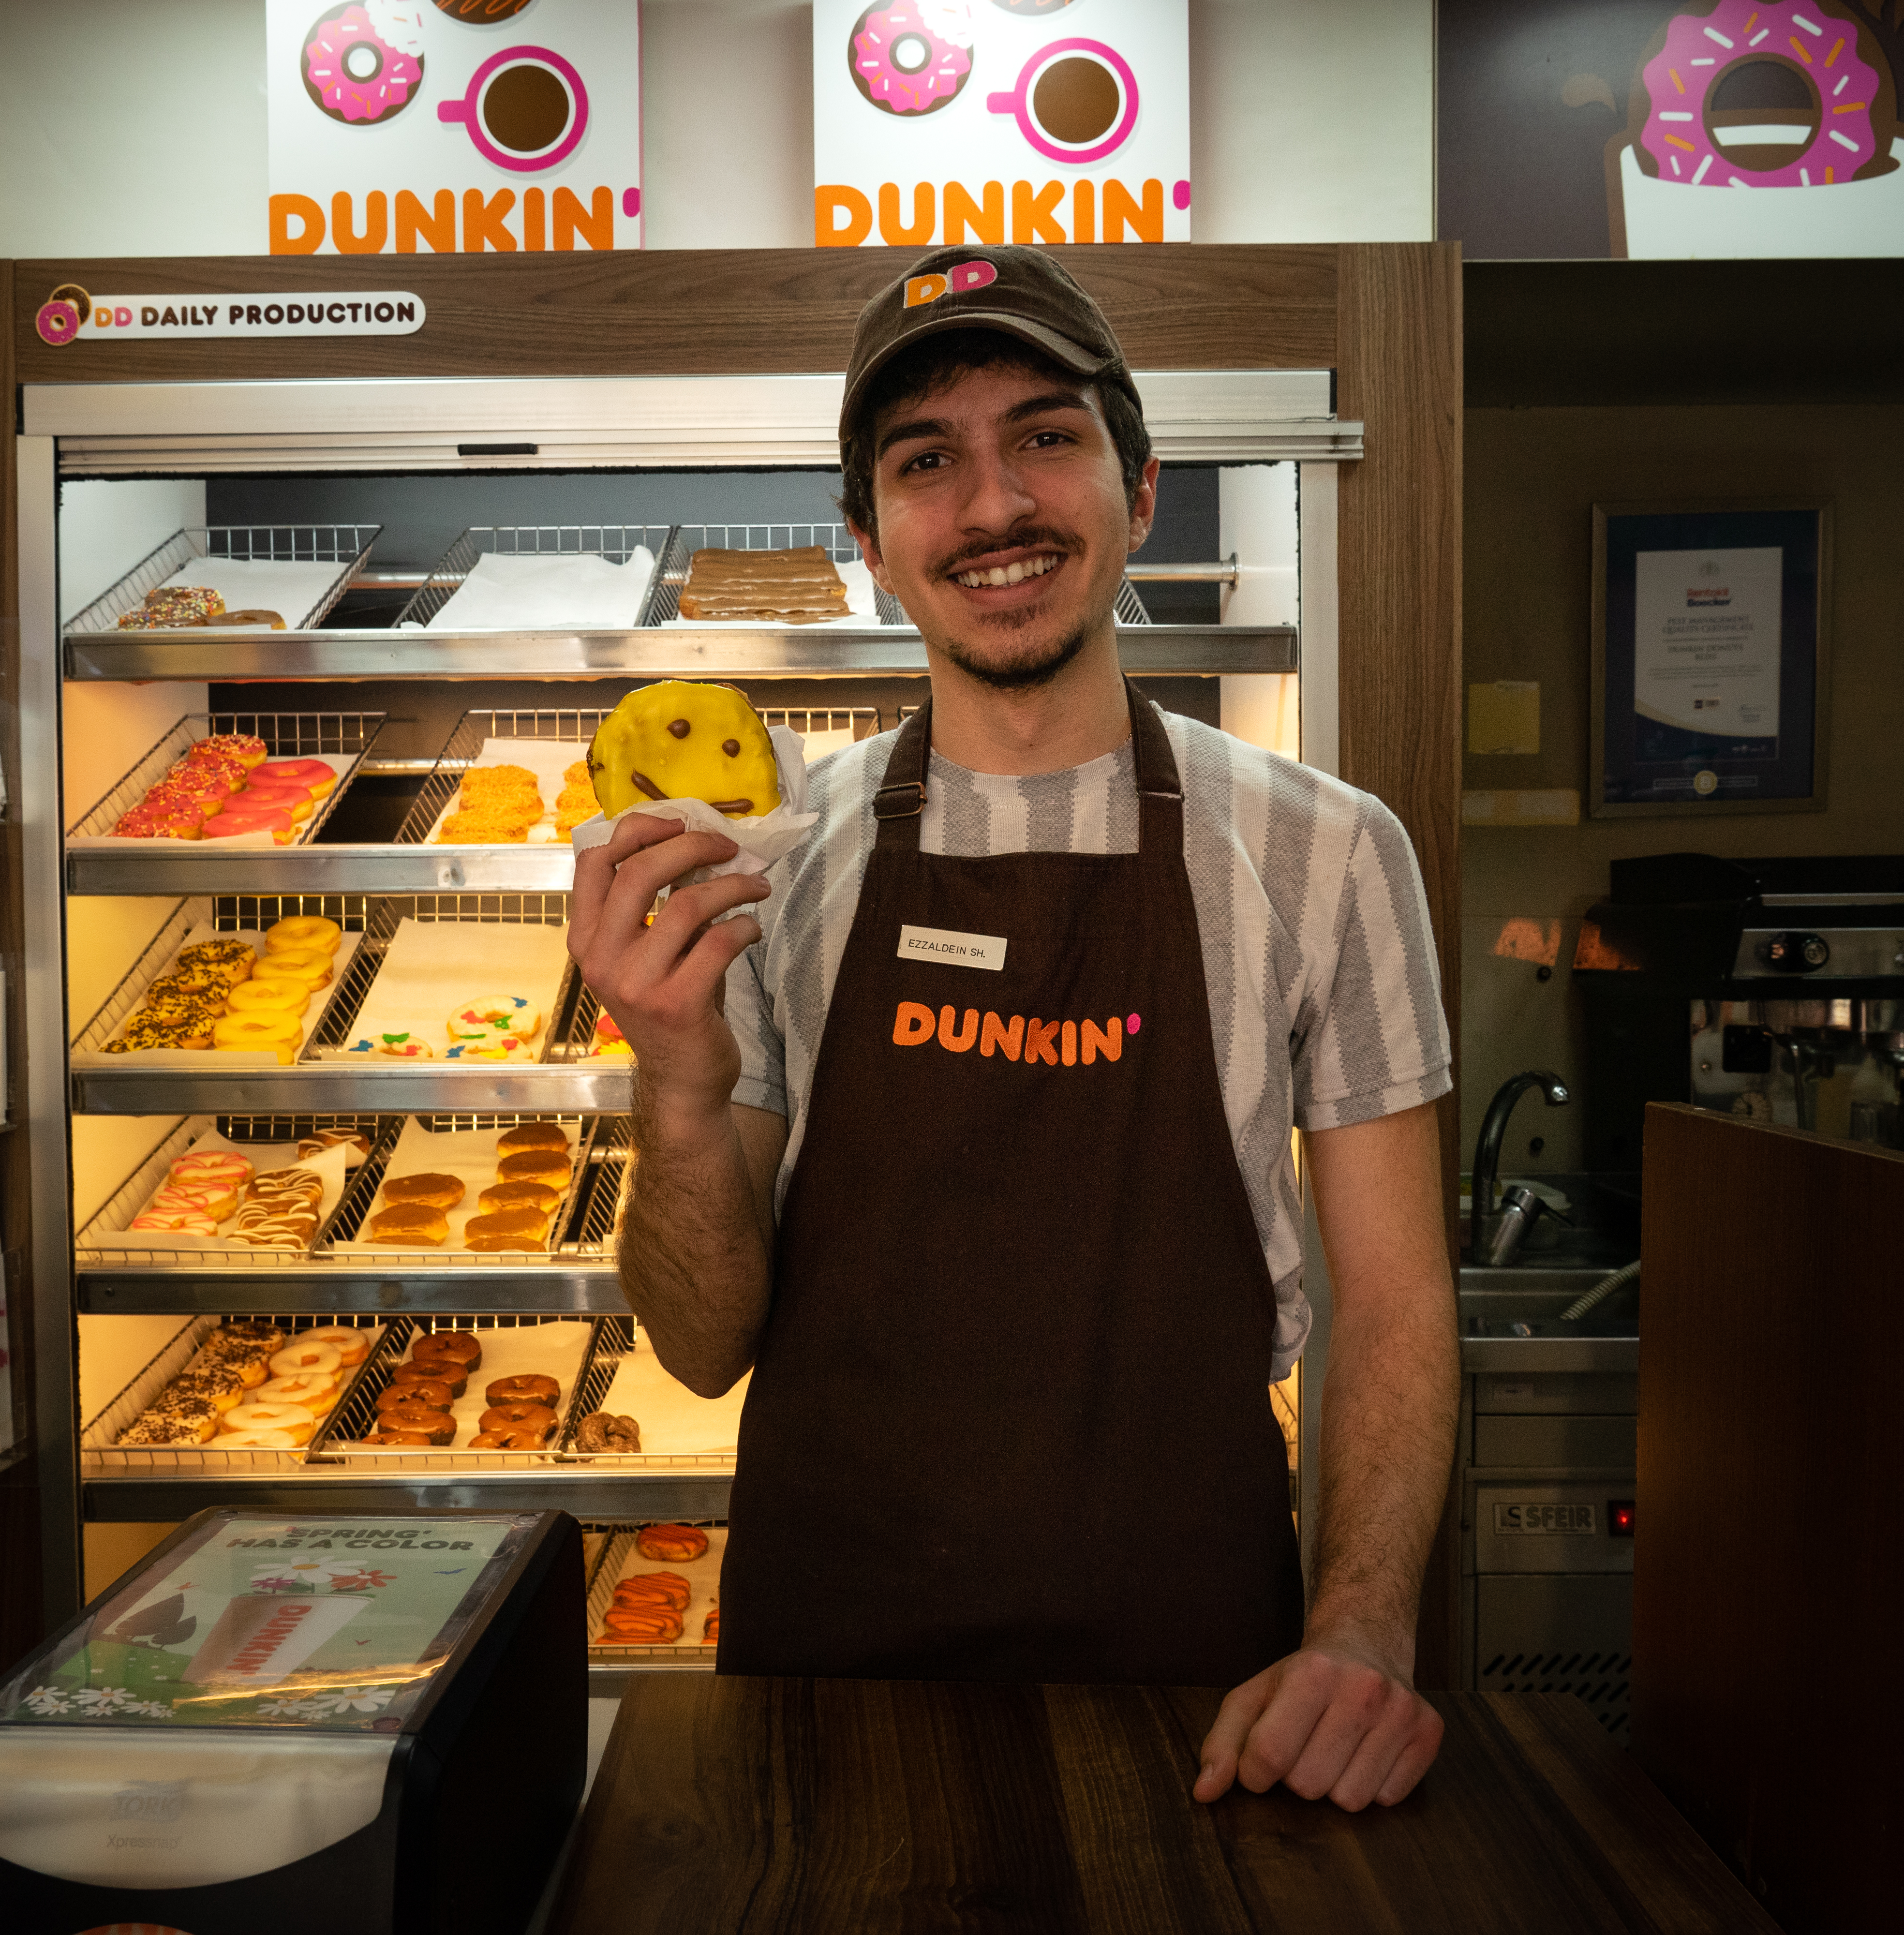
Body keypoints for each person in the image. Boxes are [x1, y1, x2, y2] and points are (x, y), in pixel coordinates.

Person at [567, 244, 1457, 1812]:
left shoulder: (1329, 853)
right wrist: (685, 1092)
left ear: (1142, 485)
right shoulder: (776, 873)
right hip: (830, 1683)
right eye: (927, 464)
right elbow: (702, 1349)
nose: (992, 508)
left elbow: (1391, 1309)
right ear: (869, 543)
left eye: (1044, 435)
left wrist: (1365, 1631)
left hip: (1207, 1695)